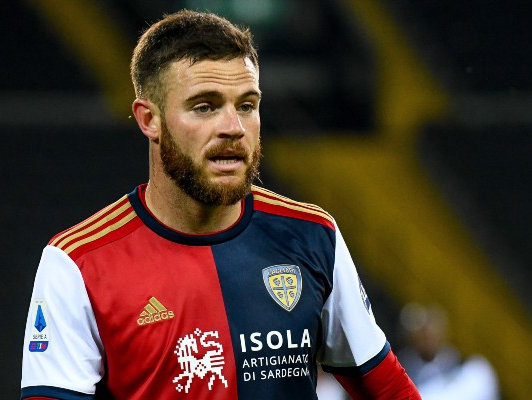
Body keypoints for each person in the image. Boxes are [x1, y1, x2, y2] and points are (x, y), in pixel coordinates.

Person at [21, 10, 421, 399]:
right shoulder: (77, 263)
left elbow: (388, 390)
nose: (233, 127)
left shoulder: (313, 236)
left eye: (247, 105)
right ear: (149, 120)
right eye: (205, 106)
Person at [397, 303, 499, 400]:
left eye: (432, 332)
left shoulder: (456, 362)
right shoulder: (403, 366)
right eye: (422, 335)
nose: (427, 338)